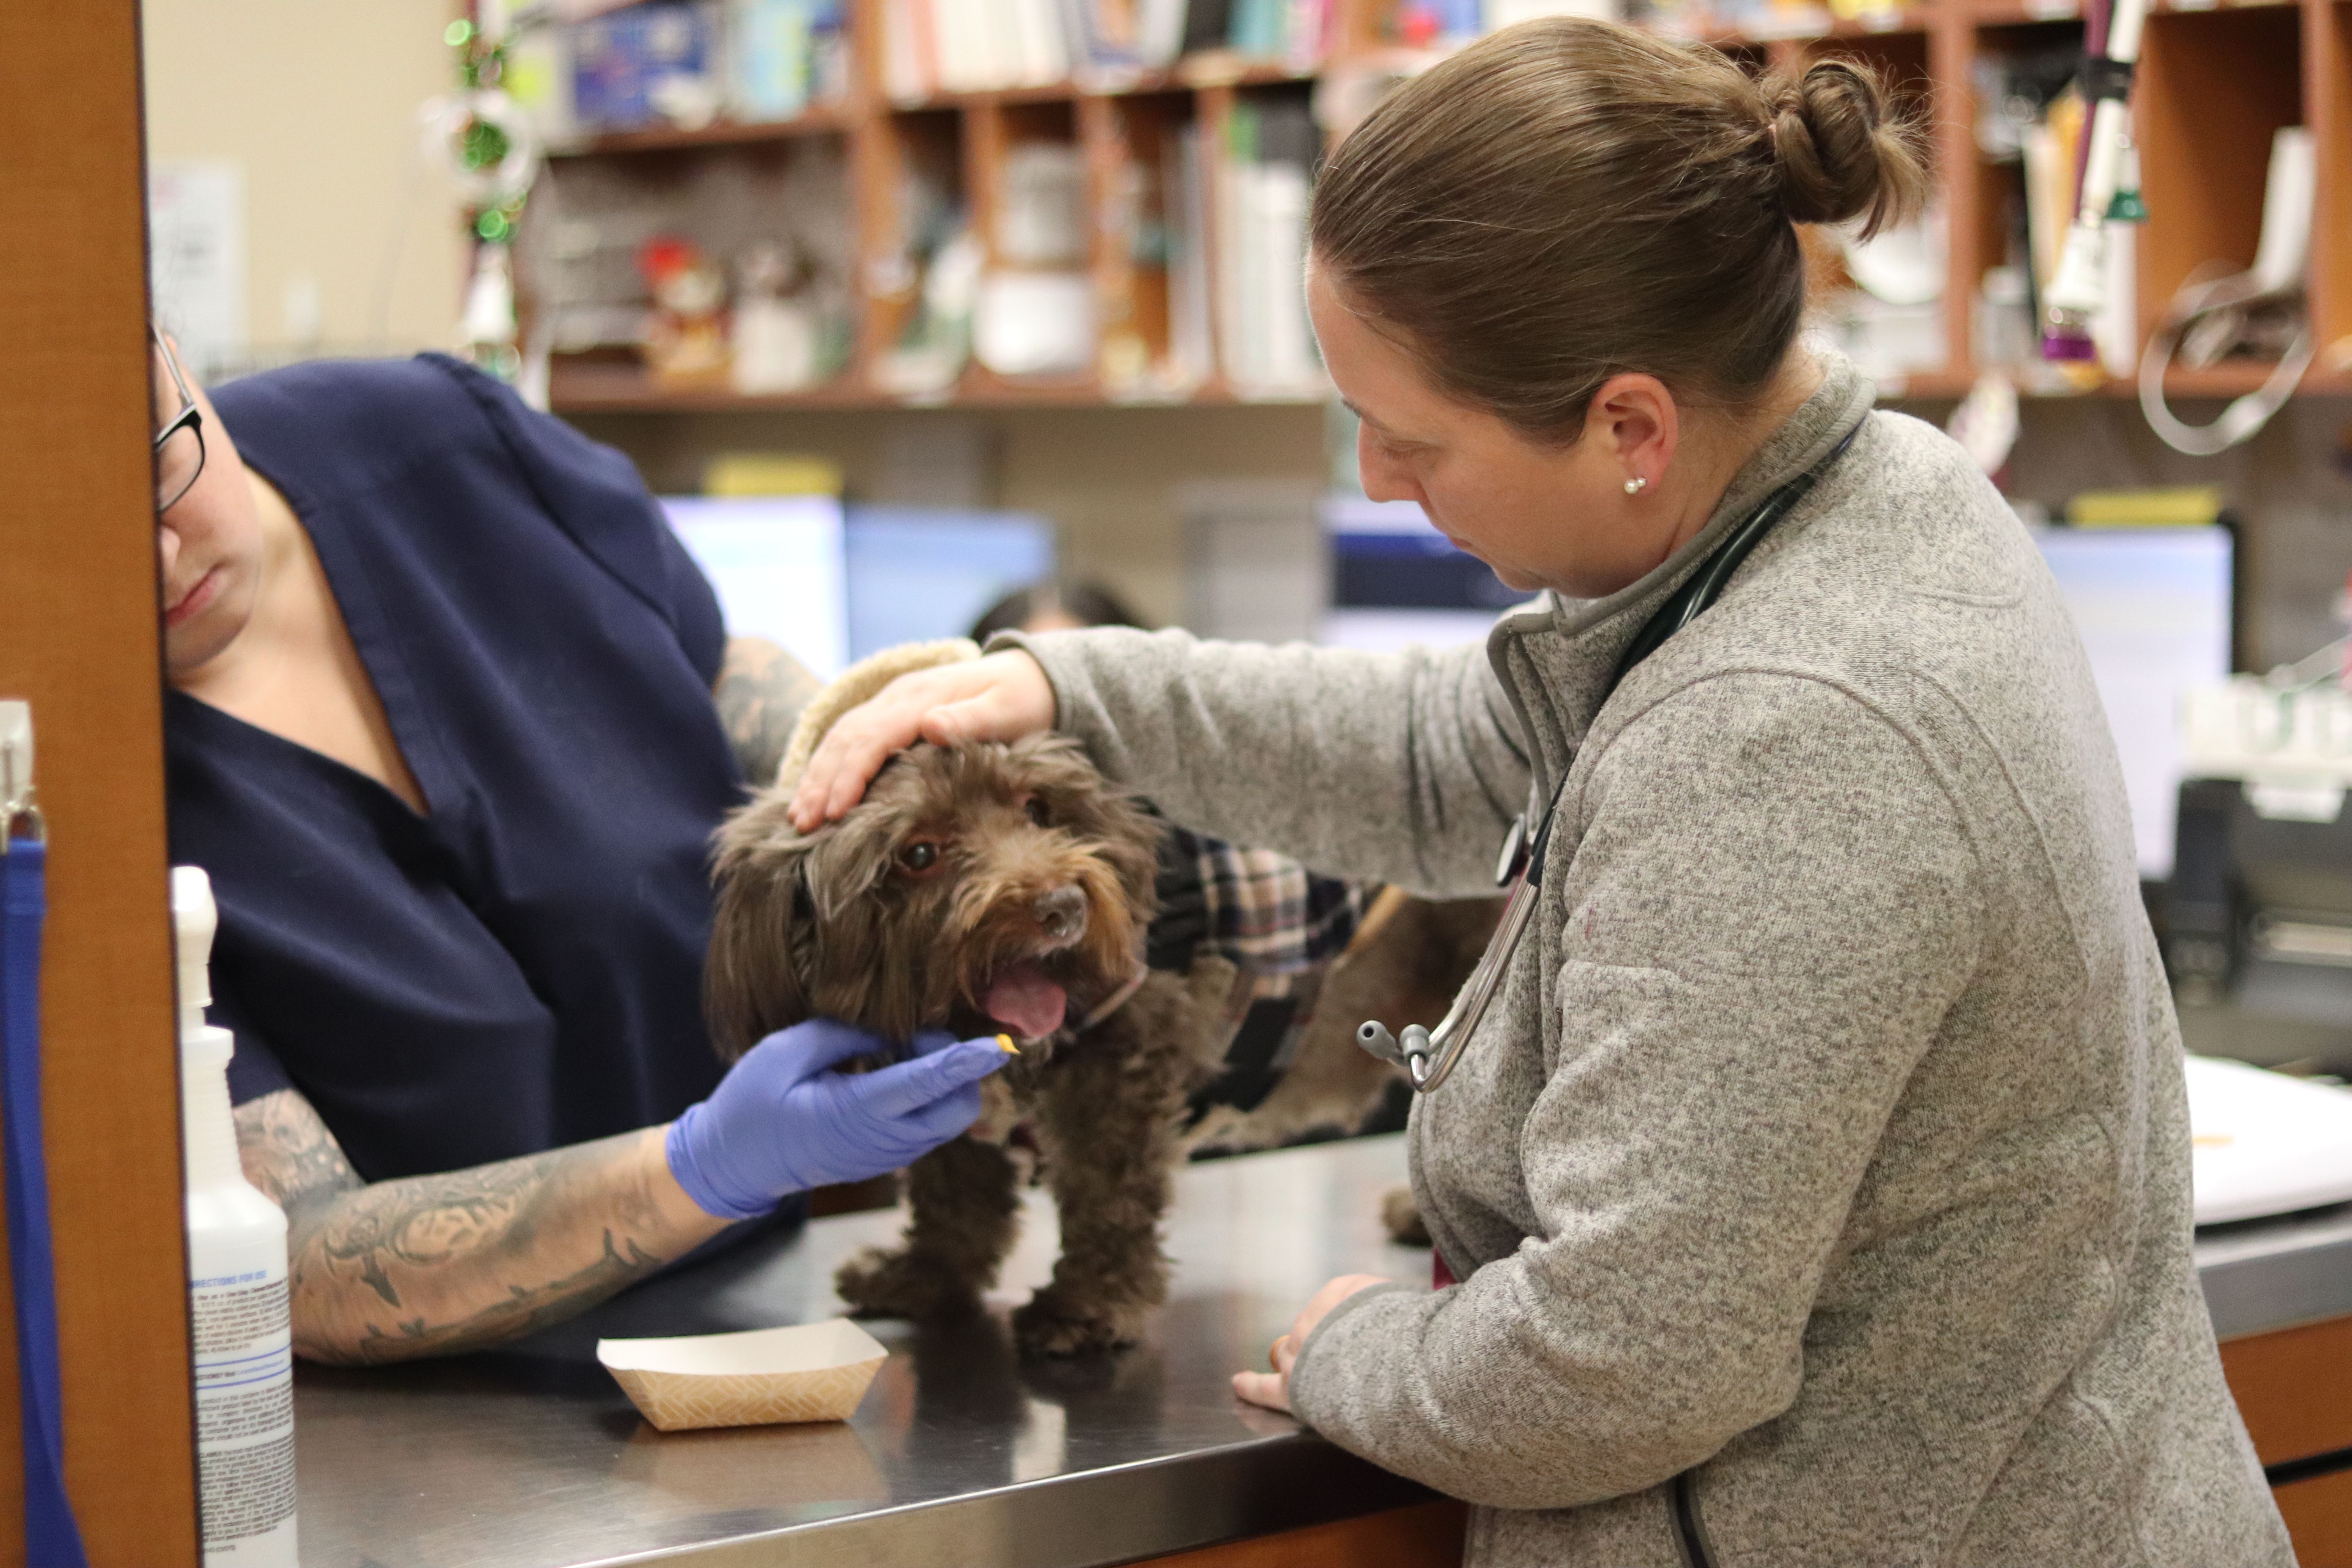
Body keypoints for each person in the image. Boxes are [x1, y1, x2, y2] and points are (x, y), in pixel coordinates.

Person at [784, 20, 2292, 1566]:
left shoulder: (1788, 731)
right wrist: (1076, 686)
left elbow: (1621, 1363)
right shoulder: (1857, 496)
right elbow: (1461, 755)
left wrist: (1359, 1349)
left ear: (1628, 425)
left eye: (1410, 435)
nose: (1375, 477)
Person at [154, 333, 1007, 1365]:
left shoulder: (434, 446)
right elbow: (297, 1257)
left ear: (173, 354)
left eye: (159, 460)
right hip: (435, 1447)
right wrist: (694, 1171)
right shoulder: (83, 806)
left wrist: (896, 795)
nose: (156, 556)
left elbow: (716, 673)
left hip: (765, 1318)